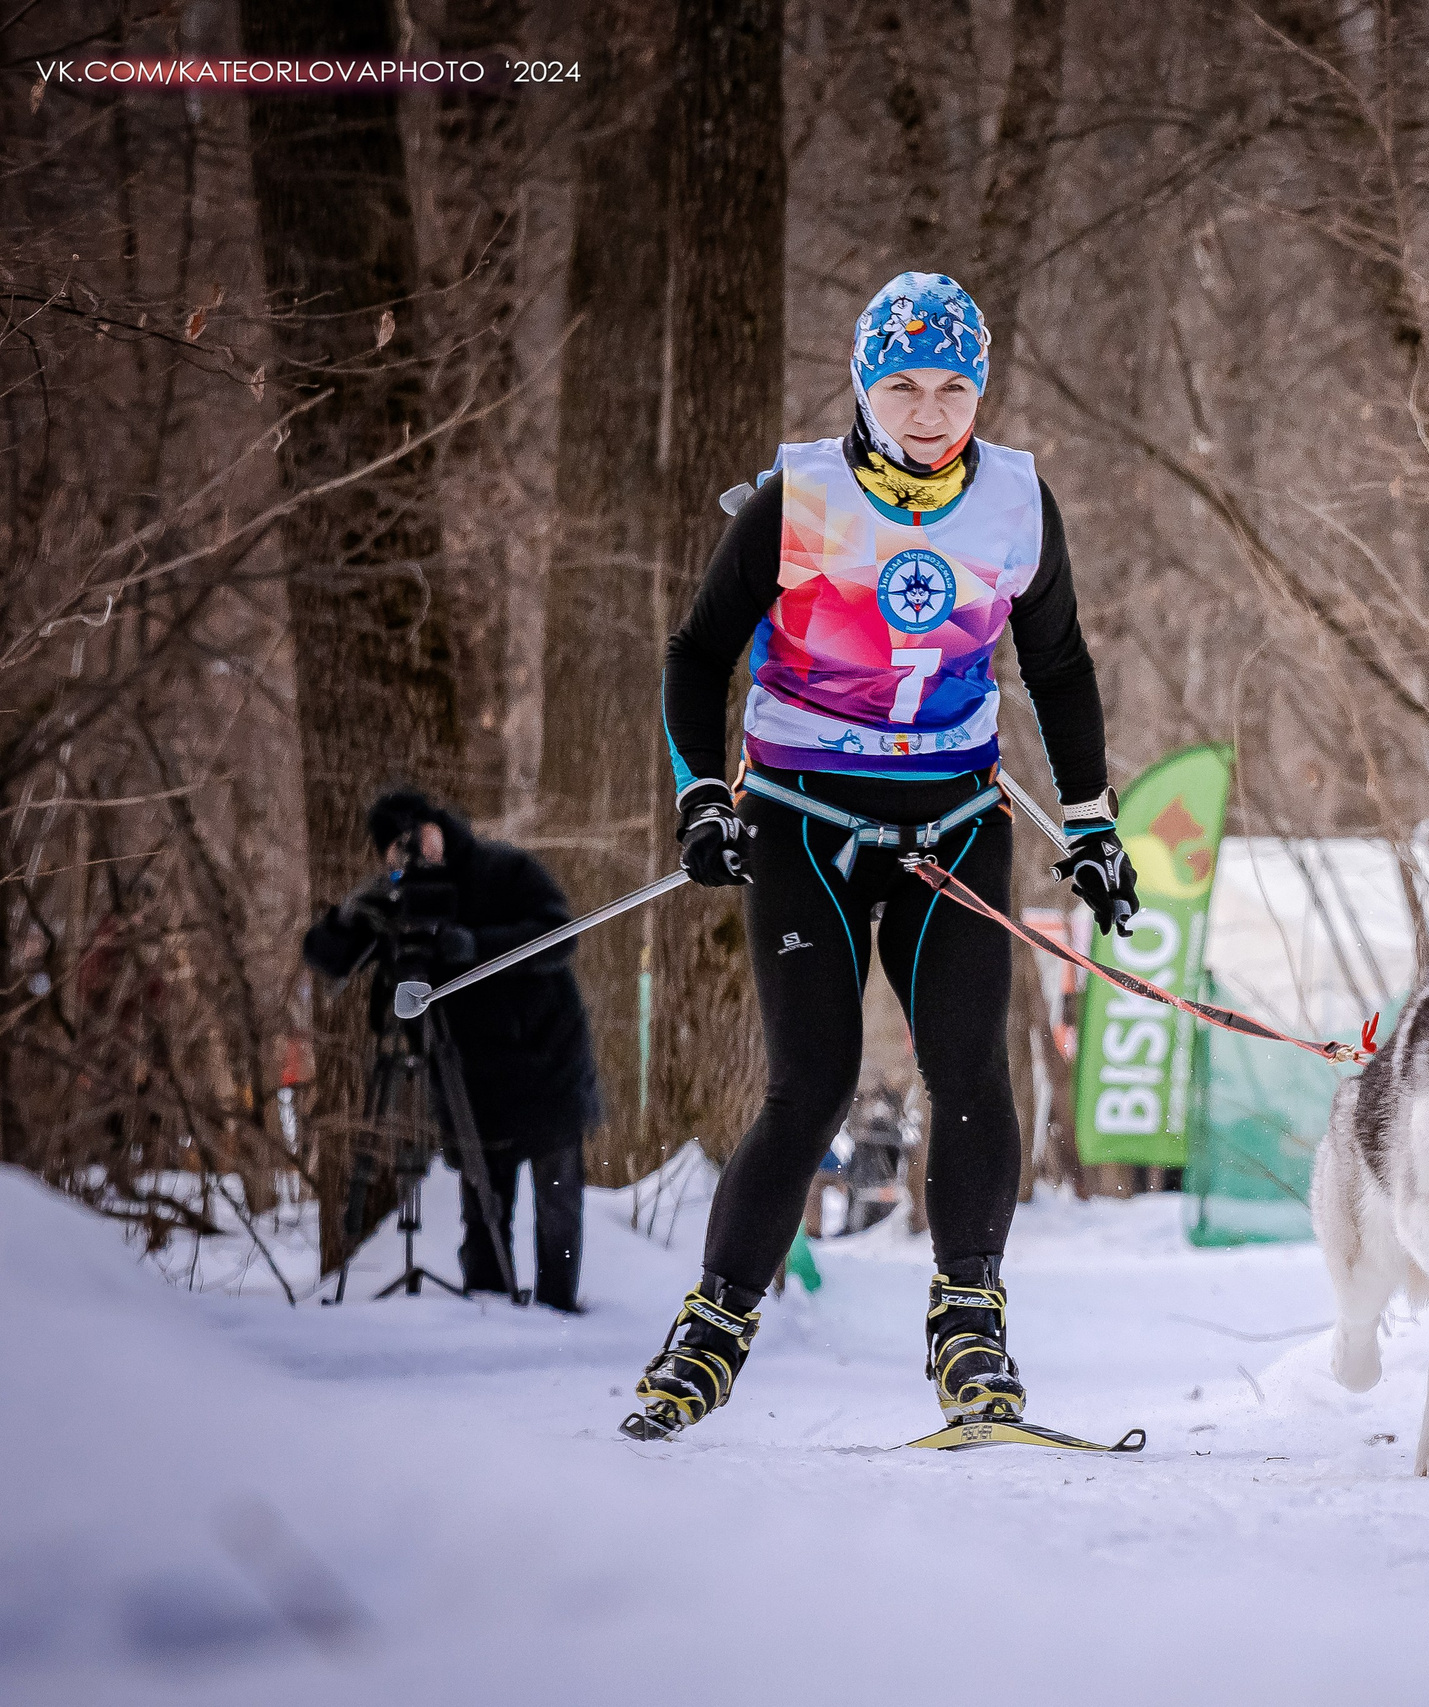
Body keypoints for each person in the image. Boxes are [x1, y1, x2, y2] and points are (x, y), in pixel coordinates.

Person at [623, 272, 1136, 1441]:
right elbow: (697, 654)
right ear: (862, 386)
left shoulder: (1014, 501)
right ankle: (711, 1330)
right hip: (805, 817)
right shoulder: (799, 497)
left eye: (954, 387)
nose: (928, 413)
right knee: (814, 1083)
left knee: (970, 1070)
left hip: (952, 818)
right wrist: (702, 798)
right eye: (902, 387)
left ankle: (970, 1327)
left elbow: (1058, 666)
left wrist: (1092, 823)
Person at [302, 788, 601, 1311]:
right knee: (483, 1199)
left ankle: (558, 1312)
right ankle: (488, 1305)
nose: (417, 851)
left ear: (437, 825)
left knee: (557, 1198)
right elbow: (326, 955)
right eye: (398, 846)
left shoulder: (502, 869)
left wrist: (475, 946)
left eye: (418, 835)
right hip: (469, 1075)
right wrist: (354, 912)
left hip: (546, 1062)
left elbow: (561, 935)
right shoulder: (397, 899)